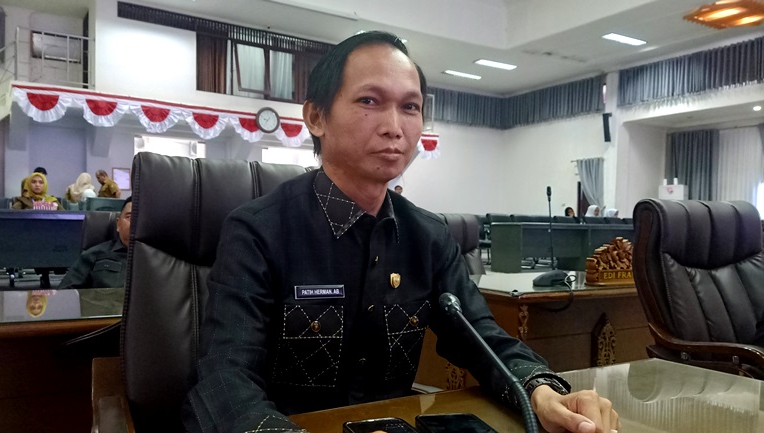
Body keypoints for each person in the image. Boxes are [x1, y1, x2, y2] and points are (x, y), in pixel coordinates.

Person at [183, 31, 617, 433]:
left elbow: (484, 340)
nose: (395, 126)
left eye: (410, 107)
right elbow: (225, 378)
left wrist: (544, 392)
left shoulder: (429, 237)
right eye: (369, 101)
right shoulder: (257, 231)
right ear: (316, 117)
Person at [59, 196, 131, 316]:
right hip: (102, 321)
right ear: (118, 224)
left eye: (141, 218)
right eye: (130, 217)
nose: (136, 223)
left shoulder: (160, 258)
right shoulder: (94, 255)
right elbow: (65, 294)